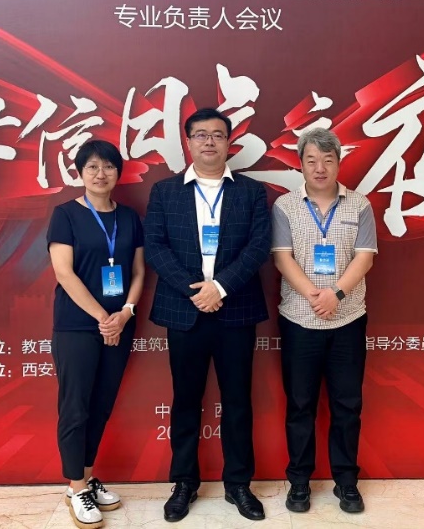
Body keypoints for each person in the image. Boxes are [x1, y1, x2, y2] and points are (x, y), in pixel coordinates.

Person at [144, 108, 272, 522]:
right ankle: (184, 482)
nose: (209, 141)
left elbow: (258, 245)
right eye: (201, 135)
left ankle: (239, 484)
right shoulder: (165, 192)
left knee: (237, 400)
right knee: (185, 399)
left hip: (236, 309)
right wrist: (195, 290)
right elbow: (156, 247)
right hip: (186, 311)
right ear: (188, 142)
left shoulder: (251, 192)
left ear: (229, 142)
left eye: (218, 134)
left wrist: (220, 287)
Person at [270, 128, 377, 514]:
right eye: (311, 160)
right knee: (300, 404)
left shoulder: (360, 204)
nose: (320, 168)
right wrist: (315, 296)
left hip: (347, 319)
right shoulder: (285, 206)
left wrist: (336, 295)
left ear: (338, 163)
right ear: (300, 164)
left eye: (327, 160)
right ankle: (299, 481)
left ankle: (346, 482)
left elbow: (364, 257)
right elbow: (282, 257)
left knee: (347, 404)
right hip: (300, 319)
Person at [46, 139, 145, 529]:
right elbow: (63, 273)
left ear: (118, 172)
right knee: (75, 407)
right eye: (92, 167)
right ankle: (75, 488)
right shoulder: (66, 215)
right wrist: (104, 317)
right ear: (80, 173)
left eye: (107, 166)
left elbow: (138, 271)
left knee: (101, 405)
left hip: (120, 323)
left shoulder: (130, 218)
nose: (100, 174)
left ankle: (85, 478)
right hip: (77, 325)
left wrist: (125, 313)